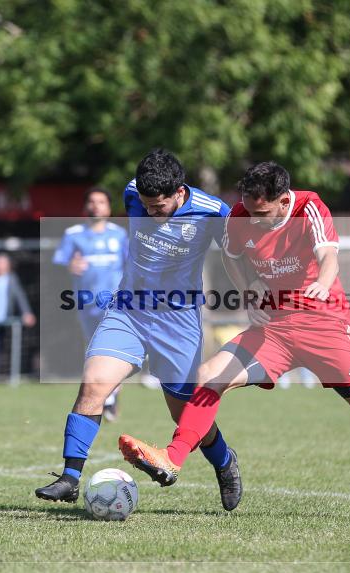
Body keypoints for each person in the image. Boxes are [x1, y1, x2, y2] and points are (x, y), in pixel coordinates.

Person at [119, 161, 350, 522]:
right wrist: (249, 287)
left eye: (262, 212)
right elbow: (232, 257)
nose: (253, 219)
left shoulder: (309, 208)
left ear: (284, 201)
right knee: (207, 377)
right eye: (249, 210)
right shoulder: (239, 216)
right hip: (274, 330)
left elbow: (328, 255)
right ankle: (172, 459)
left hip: (324, 328)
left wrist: (322, 282)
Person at [34, 149, 243, 511]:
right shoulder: (133, 191)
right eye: (145, 207)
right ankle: (69, 478)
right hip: (129, 310)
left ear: (180, 192)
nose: (150, 213)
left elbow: (238, 253)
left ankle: (224, 461)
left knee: (184, 414)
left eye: (158, 207)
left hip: (178, 321)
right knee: (94, 383)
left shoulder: (213, 212)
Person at [52, 187, 127, 418]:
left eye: (101, 202)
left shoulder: (119, 235)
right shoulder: (73, 234)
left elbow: (132, 265)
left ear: (109, 207)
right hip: (86, 302)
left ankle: (109, 397)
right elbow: (58, 264)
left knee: (114, 349)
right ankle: (107, 395)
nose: (96, 206)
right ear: (86, 206)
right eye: (92, 202)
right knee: (94, 351)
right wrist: (69, 266)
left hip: (114, 302)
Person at [0, 253, 36, 382]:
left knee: (5, 346)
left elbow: (20, 297)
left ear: (8, 266)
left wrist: (27, 312)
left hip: (6, 320)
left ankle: (4, 375)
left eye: (2, 264)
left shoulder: (12, 279)